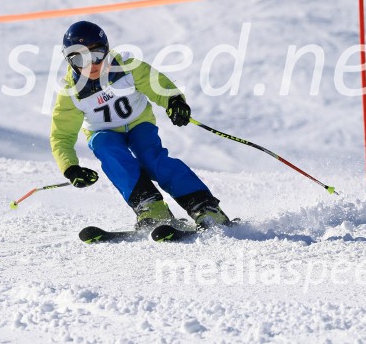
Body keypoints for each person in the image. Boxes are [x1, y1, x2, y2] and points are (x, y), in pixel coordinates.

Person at [50, 20, 231, 230]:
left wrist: (174, 102)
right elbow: (61, 136)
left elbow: (157, 85)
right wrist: (71, 168)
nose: (91, 65)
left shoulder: (127, 66)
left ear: (107, 50)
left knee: (152, 159)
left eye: (97, 55)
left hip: (139, 124)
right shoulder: (70, 92)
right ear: (69, 61)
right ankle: (151, 208)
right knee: (106, 148)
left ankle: (204, 206)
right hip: (104, 133)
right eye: (80, 58)